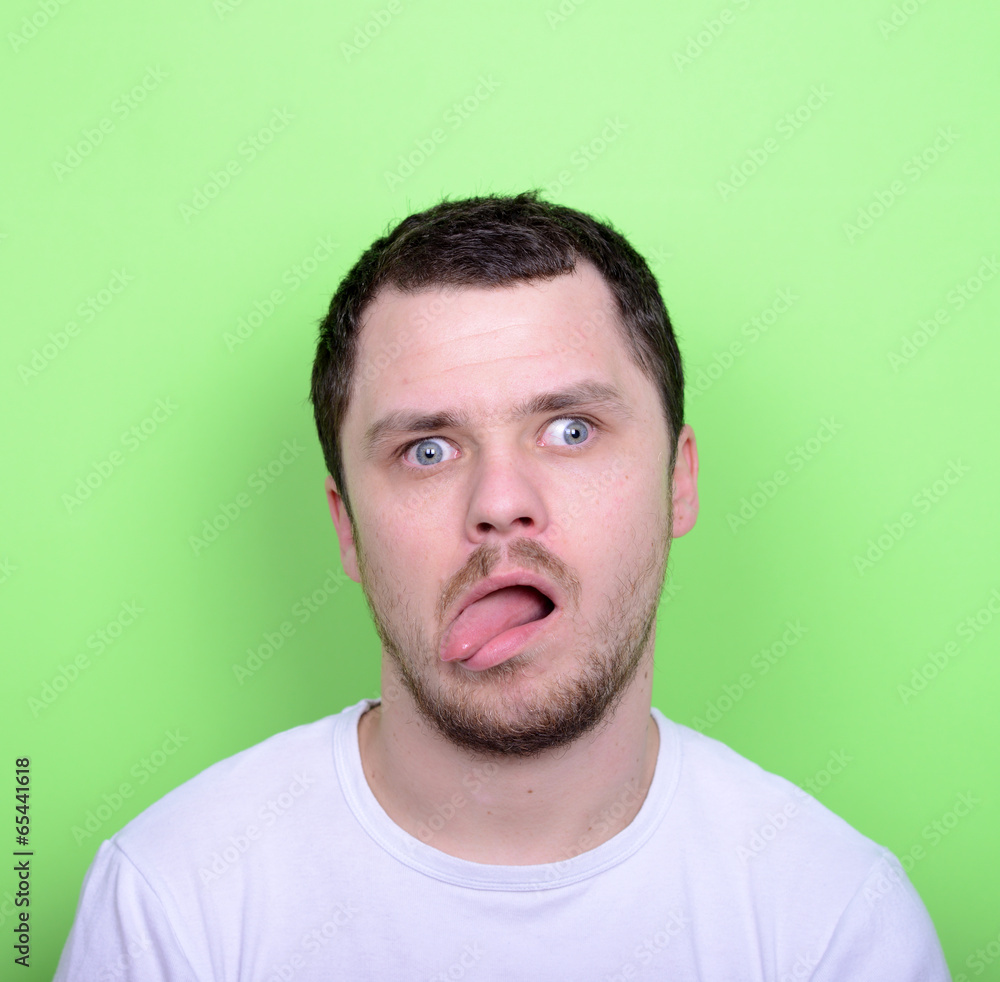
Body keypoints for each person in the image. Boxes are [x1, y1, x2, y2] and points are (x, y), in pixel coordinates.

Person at [55, 192, 950, 980]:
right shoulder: (171, 904)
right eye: (428, 450)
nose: (500, 505)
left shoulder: (836, 921)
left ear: (679, 482)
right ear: (347, 529)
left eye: (570, 430)